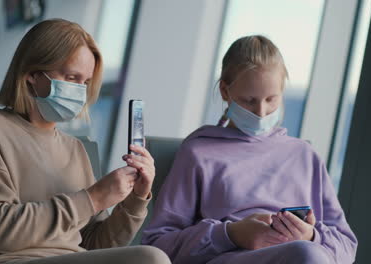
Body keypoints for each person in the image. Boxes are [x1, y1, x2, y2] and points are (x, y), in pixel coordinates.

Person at [0, 19, 170, 264]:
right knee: (150, 258)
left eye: (85, 82)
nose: (80, 91)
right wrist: (93, 198)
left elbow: (95, 246)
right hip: (6, 260)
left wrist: (135, 200)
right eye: (71, 77)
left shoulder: (74, 148)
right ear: (33, 74)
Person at [141, 35, 358, 264]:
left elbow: (347, 247)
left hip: (302, 256)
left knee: (307, 253)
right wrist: (231, 234)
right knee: (305, 255)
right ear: (225, 91)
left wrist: (311, 235)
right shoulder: (198, 152)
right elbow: (158, 246)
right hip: (232, 258)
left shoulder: (305, 156)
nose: (261, 112)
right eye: (249, 100)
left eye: (271, 99)